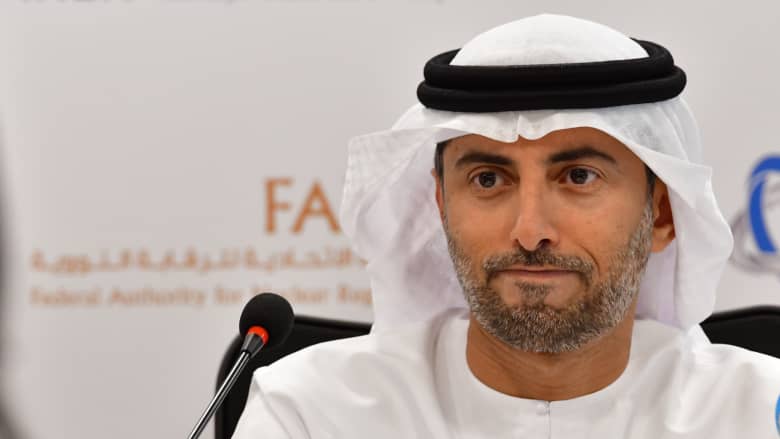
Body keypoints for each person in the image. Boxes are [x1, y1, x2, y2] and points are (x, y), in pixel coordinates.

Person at [233, 14, 780, 438]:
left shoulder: (758, 412)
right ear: (441, 206)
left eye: (578, 176)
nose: (530, 229)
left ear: (661, 214)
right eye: (489, 180)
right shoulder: (313, 412)